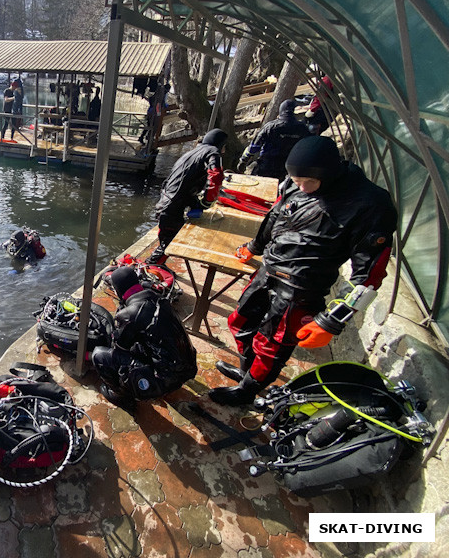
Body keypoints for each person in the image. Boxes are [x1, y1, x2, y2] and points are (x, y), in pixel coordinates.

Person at [210, 136, 397, 406]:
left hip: (302, 286)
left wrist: (331, 321)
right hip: (270, 267)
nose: (300, 187)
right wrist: (254, 246)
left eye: (307, 182)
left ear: (328, 174)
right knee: (238, 321)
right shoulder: (295, 183)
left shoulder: (370, 204)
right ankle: (246, 371)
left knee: (272, 344)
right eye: (296, 180)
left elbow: (369, 274)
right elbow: (275, 216)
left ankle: (248, 390)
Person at [92, 266, 197, 410]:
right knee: (140, 343)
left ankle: (123, 396)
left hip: (164, 381)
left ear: (118, 290)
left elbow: (119, 348)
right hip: (187, 368)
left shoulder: (129, 315)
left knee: (100, 355)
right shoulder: (160, 298)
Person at [147, 128, 227, 264]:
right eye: (225, 146)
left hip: (167, 201)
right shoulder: (213, 152)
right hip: (171, 206)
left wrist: (197, 201)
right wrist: (207, 201)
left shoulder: (192, 153)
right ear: (220, 144)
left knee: (168, 241)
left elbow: (185, 181)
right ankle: (151, 269)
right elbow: (216, 176)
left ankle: (156, 267)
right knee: (167, 245)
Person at [238, 99, 309, 181]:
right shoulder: (302, 128)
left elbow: (254, 146)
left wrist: (243, 160)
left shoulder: (270, 127)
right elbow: (307, 148)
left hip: (267, 165)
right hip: (287, 167)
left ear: (280, 110)